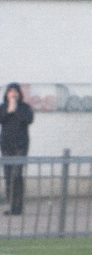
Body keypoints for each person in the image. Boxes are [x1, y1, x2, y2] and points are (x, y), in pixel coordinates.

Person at [0, 83, 34, 215]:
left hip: (20, 146)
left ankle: (18, 206)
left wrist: (16, 108)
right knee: (8, 176)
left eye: (15, 91)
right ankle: (12, 205)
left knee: (17, 175)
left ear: (19, 94)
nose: (13, 93)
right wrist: (9, 109)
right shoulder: (3, 107)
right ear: (6, 94)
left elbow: (29, 119)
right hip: (6, 146)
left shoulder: (24, 107)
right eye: (10, 91)